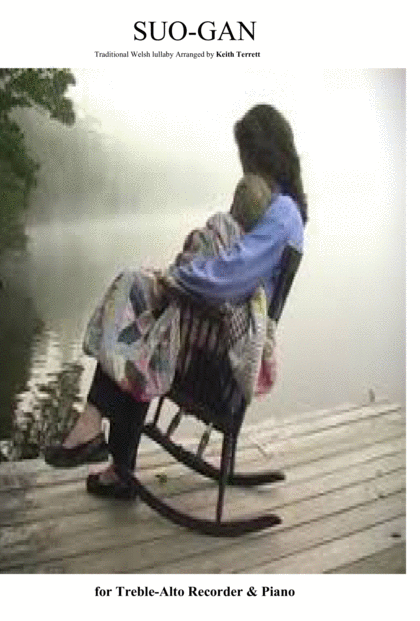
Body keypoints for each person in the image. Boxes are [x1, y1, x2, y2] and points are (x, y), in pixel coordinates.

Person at [44, 104, 308, 499]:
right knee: (139, 309)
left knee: (139, 306)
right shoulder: (278, 205)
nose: (245, 167)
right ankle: (108, 450)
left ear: (266, 153)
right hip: (211, 326)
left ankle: (97, 433)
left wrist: (177, 278)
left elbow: (233, 272)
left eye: (248, 156)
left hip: (221, 346)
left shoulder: (282, 212)